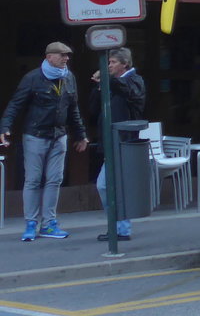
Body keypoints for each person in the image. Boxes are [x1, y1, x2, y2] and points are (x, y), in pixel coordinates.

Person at [0, 42, 88, 242]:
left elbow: (73, 109)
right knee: (33, 180)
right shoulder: (33, 77)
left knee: (54, 180)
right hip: (35, 135)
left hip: (59, 136)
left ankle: (48, 223)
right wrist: (5, 127)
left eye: (67, 55)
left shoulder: (68, 77)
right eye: (62, 55)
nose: (66, 58)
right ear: (49, 57)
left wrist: (81, 134)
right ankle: (31, 223)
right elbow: (15, 104)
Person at [90, 47, 146, 242]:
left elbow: (128, 92)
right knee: (109, 186)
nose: (109, 66)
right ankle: (119, 227)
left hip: (124, 142)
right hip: (111, 141)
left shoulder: (134, 81)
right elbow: (93, 110)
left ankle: (121, 227)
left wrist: (108, 79)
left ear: (124, 64)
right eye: (108, 63)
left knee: (108, 185)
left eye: (112, 62)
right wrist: (99, 88)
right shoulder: (112, 83)